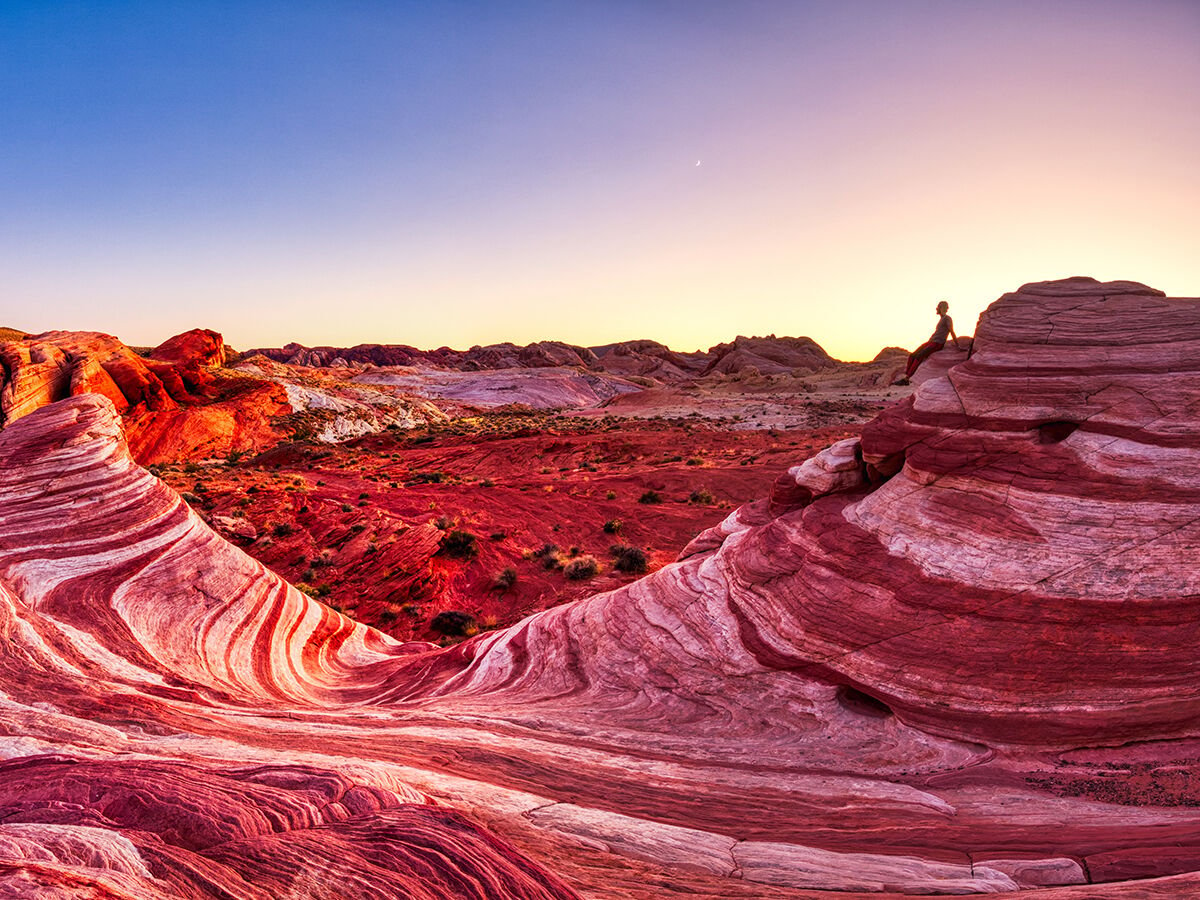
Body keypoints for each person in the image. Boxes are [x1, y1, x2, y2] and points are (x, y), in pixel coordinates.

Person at [893, 300, 959, 385]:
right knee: (912, 355)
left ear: (941, 308)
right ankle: (906, 375)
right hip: (931, 341)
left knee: (919, 356)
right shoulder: (942, 319)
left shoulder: (947, 318)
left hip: (937, 343)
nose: (936, 309)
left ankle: (906, 379)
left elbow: (951, 331)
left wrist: (957, 344)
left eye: (938, 307)